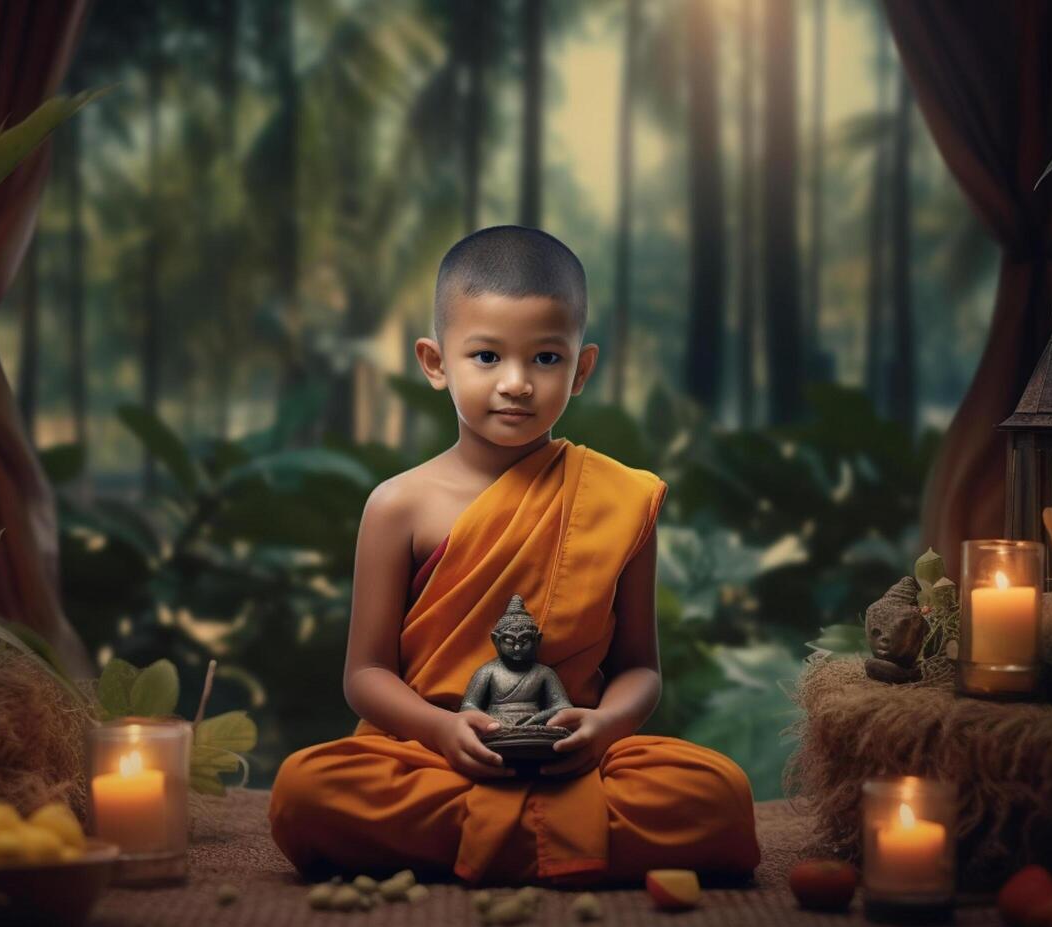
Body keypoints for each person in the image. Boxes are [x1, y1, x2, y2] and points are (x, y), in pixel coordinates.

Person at [269, 226, 760, 884]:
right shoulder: (399, 506)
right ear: (436, 362)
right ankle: (564, 844)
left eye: (546, 359)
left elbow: (640, 669)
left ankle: (484, 840)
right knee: (306, 791)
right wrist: (445, 733)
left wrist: (603, 725)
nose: (518, 383)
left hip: (572, 761)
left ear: (582, 368)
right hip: (432, 755)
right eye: (486, 356)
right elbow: (365, 677)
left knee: (719, 792)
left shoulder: (616, 496)